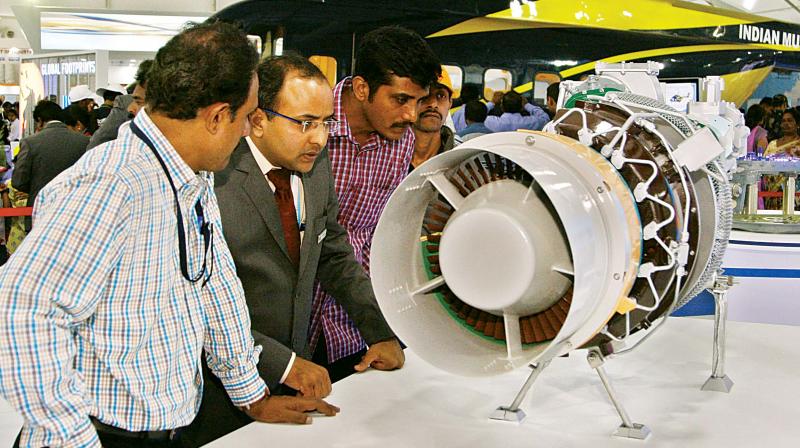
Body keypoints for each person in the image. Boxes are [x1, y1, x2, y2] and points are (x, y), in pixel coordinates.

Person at [0, 21, 337, 448]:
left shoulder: (190, 178)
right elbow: (21, 313)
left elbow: (213, 286)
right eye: (247, 117)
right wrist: (72, 440)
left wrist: (250, 394)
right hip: (107, 434)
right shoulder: (112, 184)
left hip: (171, 429)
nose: (248, 131)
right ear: (217, 116)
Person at [181, 53, 401, 447]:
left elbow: (333, 252)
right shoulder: (215, 178)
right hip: (215, 389)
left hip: (293, 382)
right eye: (305, 123)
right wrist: (280, 364)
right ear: (259, 120)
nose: (319, 137)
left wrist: (380, 331)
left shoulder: (315, 166)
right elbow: (191, 299)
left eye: (326, 123)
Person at [310, 25, 439, 383]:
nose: (411, 115)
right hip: (295, 309)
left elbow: (382, 232)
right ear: (362, 88)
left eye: (419, 101)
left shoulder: (400, 142)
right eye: (401, 100)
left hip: (355, 317)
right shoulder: (310, 125)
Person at [11, 101, 88, 232]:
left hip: (40, 212)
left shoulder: (30, 142)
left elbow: (18, 181)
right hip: (75, 211)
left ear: (40, 120)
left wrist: (37, 186)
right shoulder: (84, 141)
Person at [410, 69, 461, 172]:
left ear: (450, 103)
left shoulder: (461, 156)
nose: (433, 104)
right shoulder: (385, 154)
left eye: (441, 96)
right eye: (425, 95)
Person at [485, 90, 549, 132]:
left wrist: (492, 102)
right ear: (521, 107)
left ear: (502, 107)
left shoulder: (490, 122)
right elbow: (545, 119)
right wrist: (527, 105)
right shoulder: (531, 123)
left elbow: (477, 115)